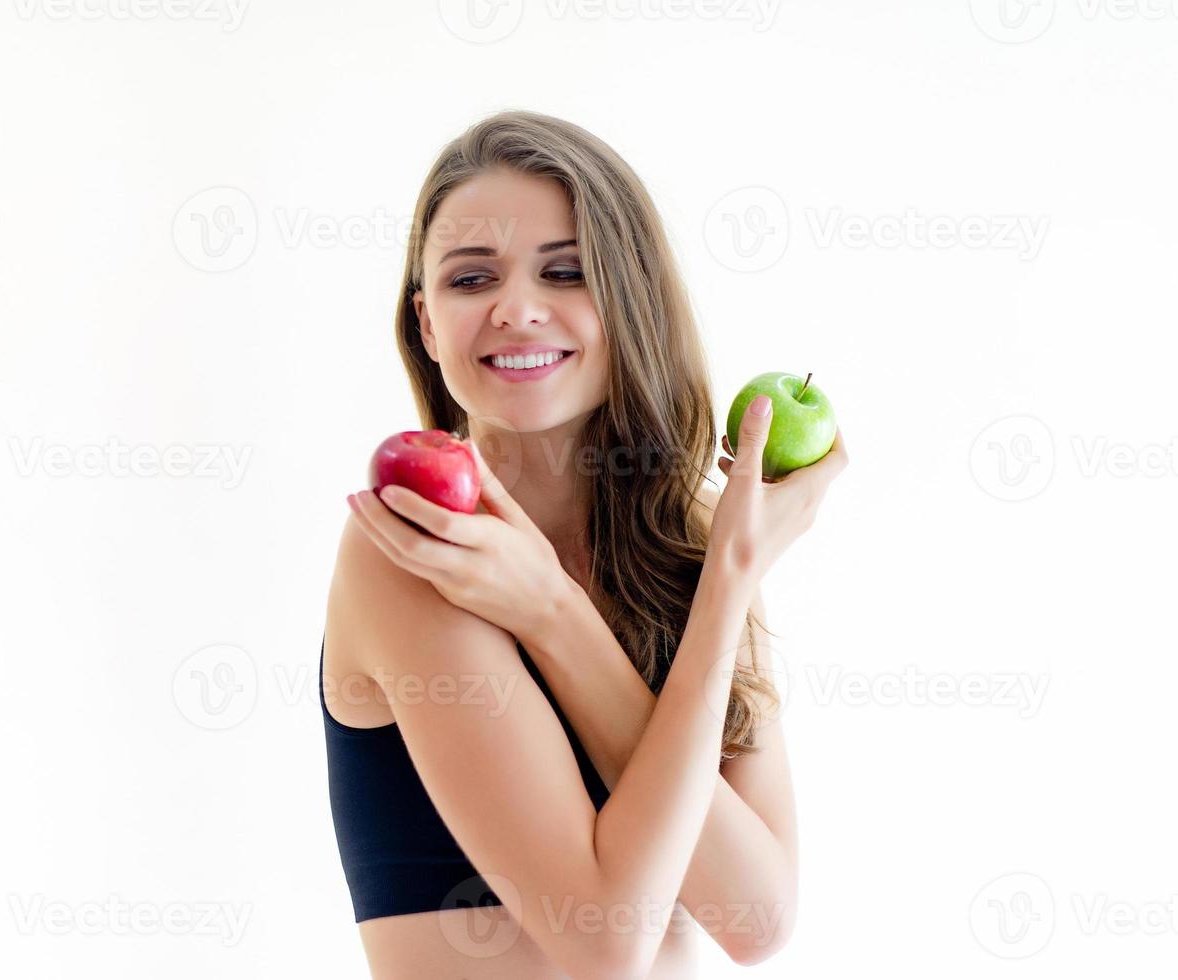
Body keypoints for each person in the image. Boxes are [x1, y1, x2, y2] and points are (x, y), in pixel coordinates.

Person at [323, 109, 847, 979]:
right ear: (426, 324)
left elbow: (756, 918)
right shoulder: (416, 543)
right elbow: (605, 943)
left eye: (566, 271)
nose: (517, 309)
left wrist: (562, 614)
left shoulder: (700, 544)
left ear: (628, 299)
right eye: (470, 280)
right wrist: (722, 580)